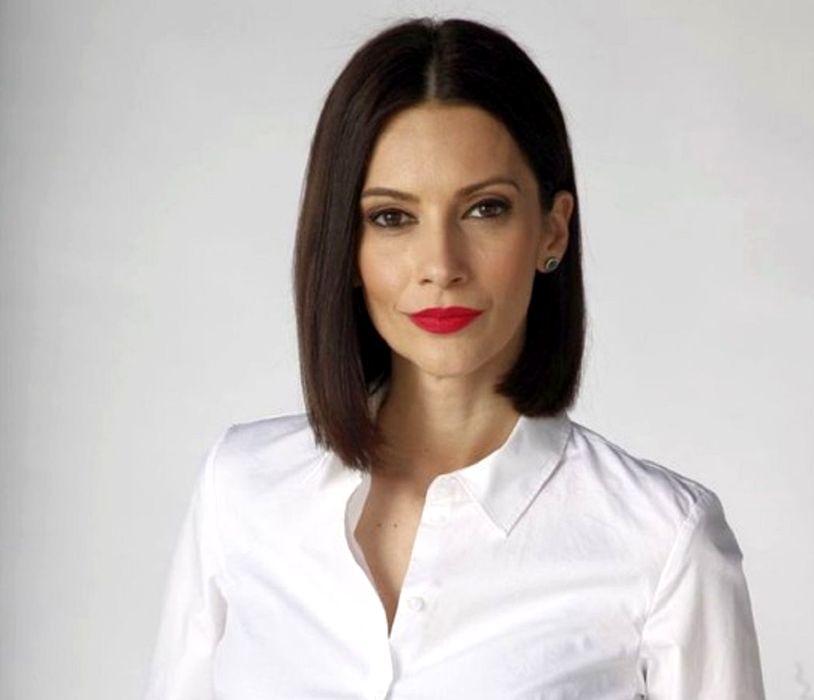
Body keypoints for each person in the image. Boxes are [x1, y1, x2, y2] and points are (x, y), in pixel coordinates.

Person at [142, 16, 766, 700]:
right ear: (345, 246)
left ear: (552, 232)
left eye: (485, 209)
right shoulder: (240, 490)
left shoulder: (663, 542)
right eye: (392, 217)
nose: (440, 265)